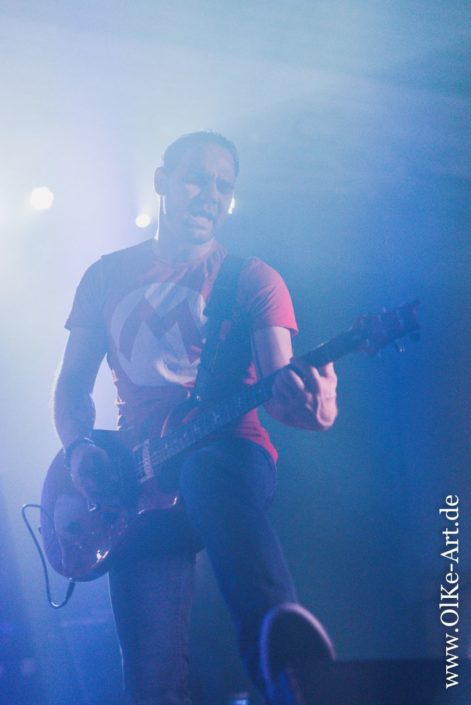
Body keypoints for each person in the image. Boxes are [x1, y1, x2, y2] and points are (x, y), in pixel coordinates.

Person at [53, 130, 338, 705]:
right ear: (161, 181)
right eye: (197, 180)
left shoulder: (253, 279)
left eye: (224, 187)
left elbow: (281, 384)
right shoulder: (104, 277)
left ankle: (279, 643)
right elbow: (71, 387)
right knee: (151, 683)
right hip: (138, 478)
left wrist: (316, 411)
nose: (211, 195)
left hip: (231, 455)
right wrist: (79, 448)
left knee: (205, 470)